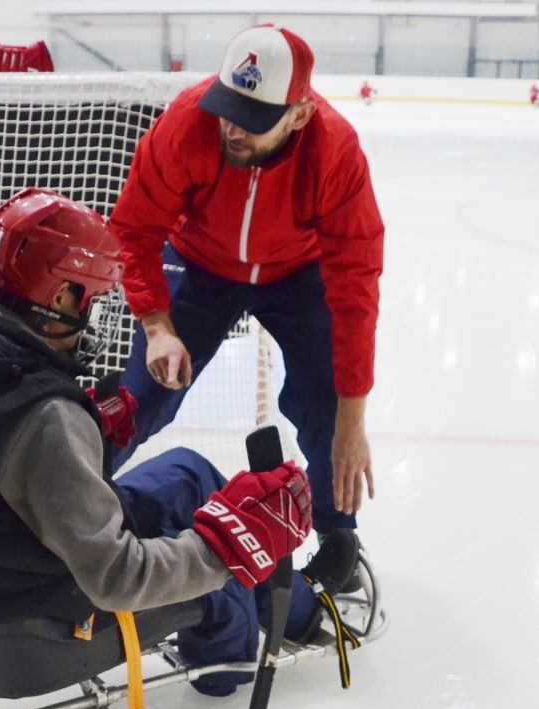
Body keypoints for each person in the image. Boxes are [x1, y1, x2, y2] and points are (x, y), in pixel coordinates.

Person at [0, 188, 358, 700]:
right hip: (36, 608)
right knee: (222, 570)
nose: (91, 313)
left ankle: (293, 603)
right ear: (56, 297)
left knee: (188, 473)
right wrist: (232, 546)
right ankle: (238, 660)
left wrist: (88, 430)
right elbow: (117, 578)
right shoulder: (44, 418)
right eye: (88, 298)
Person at [108, 23, 384, 584]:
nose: (232, 129)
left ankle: (337, 532)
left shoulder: (335, 153)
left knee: (325, 404)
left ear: (300, 115)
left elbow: (356, 286)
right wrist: (158, 326)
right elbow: (133, 231)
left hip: (296, 271)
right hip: (200, 262)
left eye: (254, 120)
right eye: (229, 108)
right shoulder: (189, 125)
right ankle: (71, 502)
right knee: (143, 393)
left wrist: (353, 416)